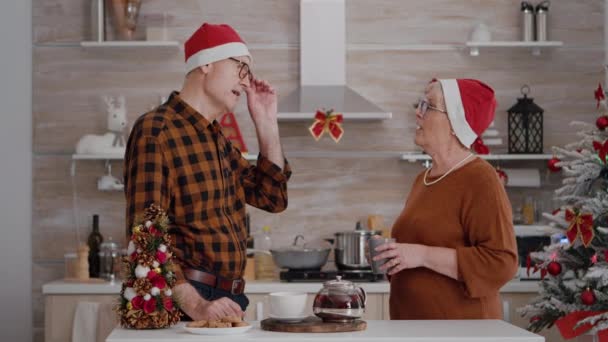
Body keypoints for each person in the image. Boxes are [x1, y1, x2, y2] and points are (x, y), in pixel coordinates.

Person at [124, 23, 291, 321]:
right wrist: (198, 306)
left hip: (228, 299)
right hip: (187, 303)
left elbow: (271, 197)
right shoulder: (156, 131)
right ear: (206, 63)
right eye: (241, 67)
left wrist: (266, 123)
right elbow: (146, 237)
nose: (246, 82)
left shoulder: (216, 138)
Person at [373, 78, 517, 319]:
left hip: (461, 331)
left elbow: (501, 262)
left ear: (455, 123)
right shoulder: (423, 179)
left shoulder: (481, 179)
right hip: (415, 329)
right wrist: (394, 256)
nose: (418, 114)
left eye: (428, 106)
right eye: (420, 104)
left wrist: (421, 255)